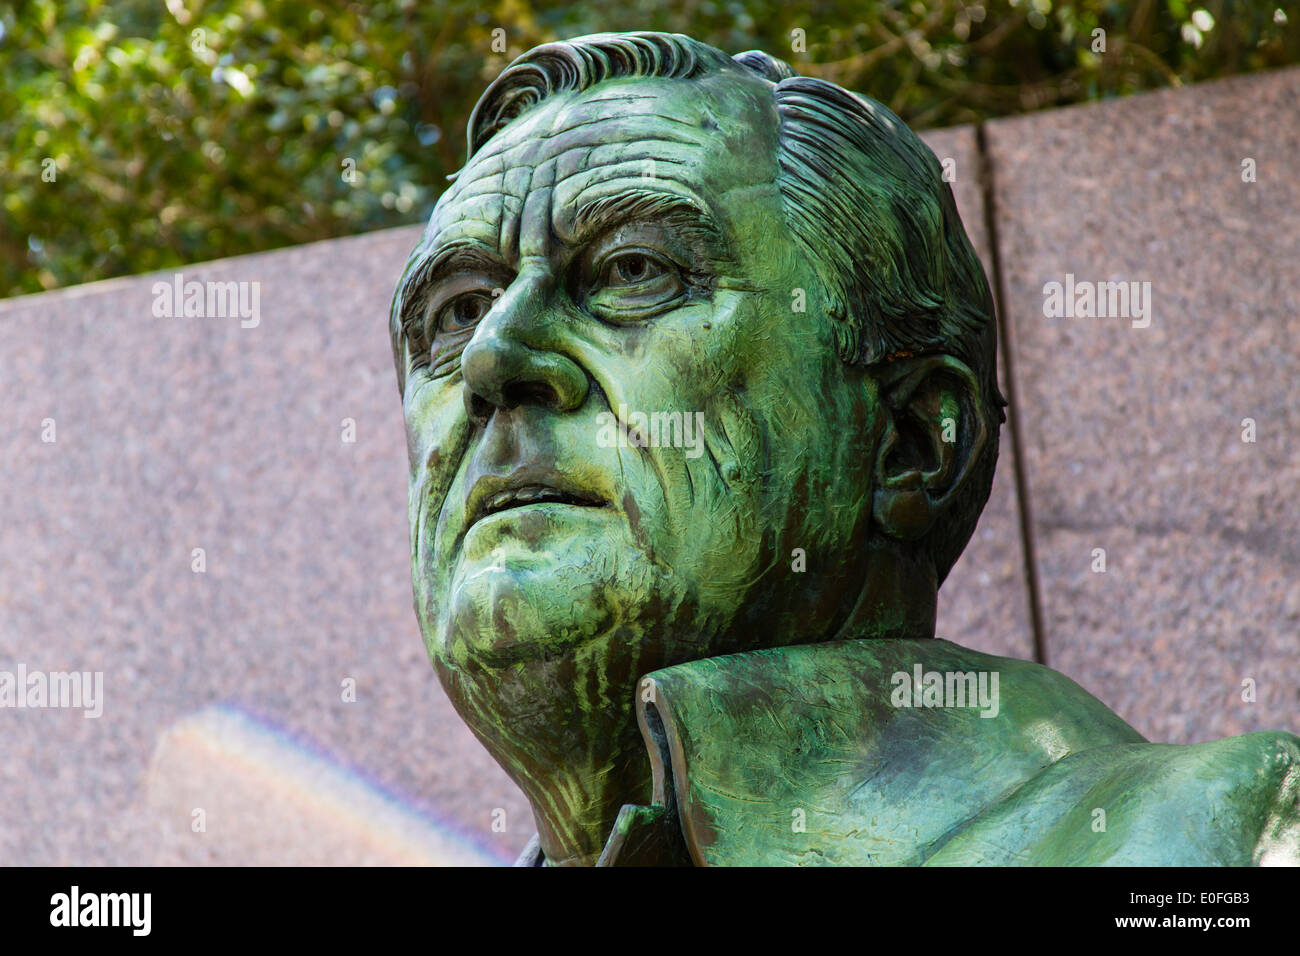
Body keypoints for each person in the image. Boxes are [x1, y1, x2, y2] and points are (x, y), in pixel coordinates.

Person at [388, 32, 1299, 866]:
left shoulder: (1219, 842)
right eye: (456, 310)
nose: (491, 358)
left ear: (912, 441)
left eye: (633, 272)